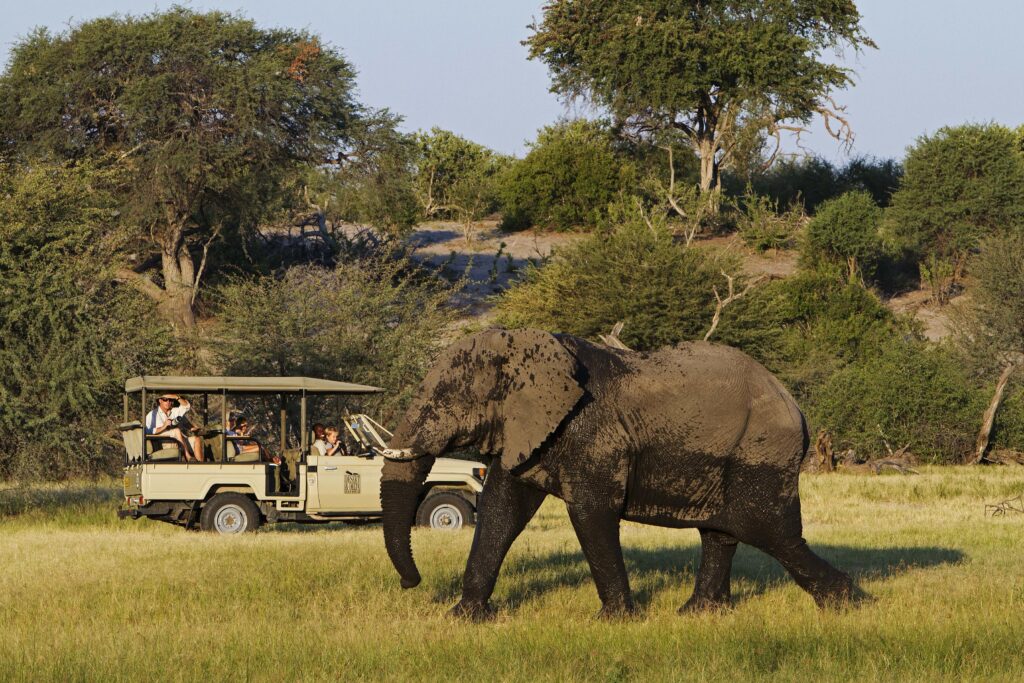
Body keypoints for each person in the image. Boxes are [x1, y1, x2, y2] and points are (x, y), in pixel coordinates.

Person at [145, 394, 203, 462]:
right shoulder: (152, 414)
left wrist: (176, 397)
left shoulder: (174, 411)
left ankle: (199, 466)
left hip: (179, 442)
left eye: (170, 400)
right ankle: (188, 457)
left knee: (196, 439)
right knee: (176, 431)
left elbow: (187, 406)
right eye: (165, 399)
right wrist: (163, 427)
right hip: (164, 443)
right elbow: (148, 431)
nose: (168, 402)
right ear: (160, 400)